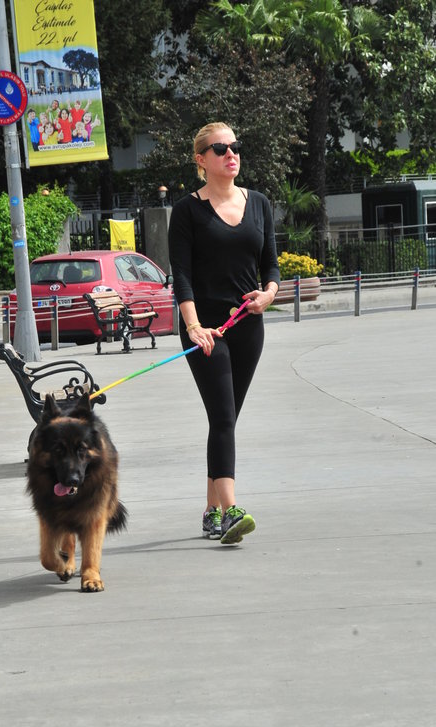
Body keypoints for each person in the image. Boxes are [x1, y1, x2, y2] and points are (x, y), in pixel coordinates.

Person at [168, 122, 280, 545]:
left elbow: (271, 264)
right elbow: (181, 275)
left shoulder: (259, 203)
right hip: (205, 331)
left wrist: (268, 295)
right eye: (220, 149)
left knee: (226, 420)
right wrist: (193, 326)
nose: (231, 154)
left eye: (235, 146)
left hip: (249, 326)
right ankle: (232, 511)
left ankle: (211, 511)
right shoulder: (187, 211)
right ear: (201, 159)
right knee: (222, 417)